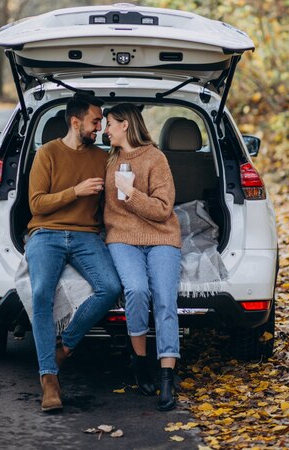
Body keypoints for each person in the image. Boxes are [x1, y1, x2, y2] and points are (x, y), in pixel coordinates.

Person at [26, 95, 121, 412]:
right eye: (96, 121)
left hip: (85, 236)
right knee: (41, 293)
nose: (100, 128)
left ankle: (64, 347)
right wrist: (76, 191)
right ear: (75, 121)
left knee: (110, 287)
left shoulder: (102, 158)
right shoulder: (47, 153)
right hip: (46, 233)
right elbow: (36, 204)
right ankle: (49, 380)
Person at [103, 103, 182, 411]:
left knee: (164, 298)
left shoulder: (156, 158)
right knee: (136, 291)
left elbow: (163, 209)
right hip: (121, 238)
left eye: (109, 123)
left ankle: (166, 377)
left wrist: (131, 193)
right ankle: (140, 362)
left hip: (161, 236)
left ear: (125, 125)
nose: (105, 130)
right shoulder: (109, 160)